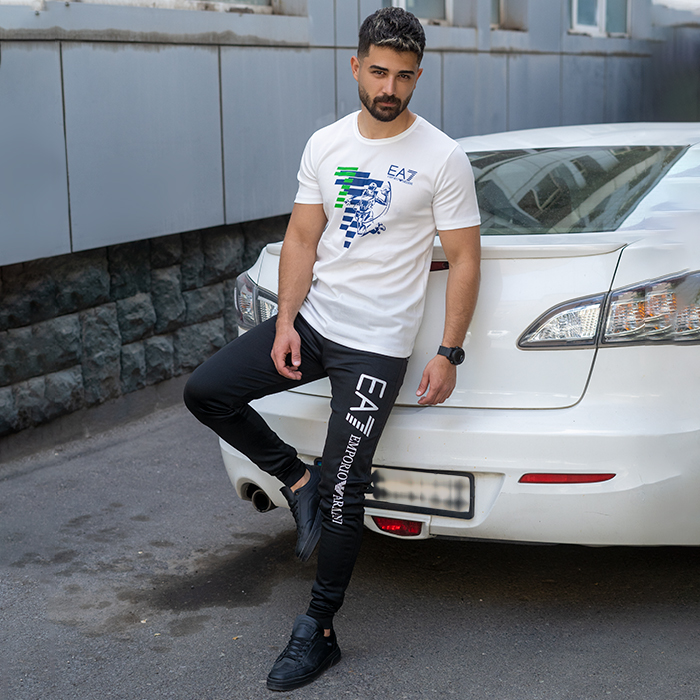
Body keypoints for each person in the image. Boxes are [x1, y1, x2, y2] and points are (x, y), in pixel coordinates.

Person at [184, 6, 481, 692]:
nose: (389, 87)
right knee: (207, 392)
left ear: (418, 77)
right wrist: (286, 320)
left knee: (346, 491)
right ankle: (294, 480)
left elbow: (466, 259)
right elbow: (301, 237)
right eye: (378, 71)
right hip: (315, 324)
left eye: (403, 76)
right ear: (355, 66)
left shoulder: (442, 157)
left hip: (376, 347)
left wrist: (449, 351)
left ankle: (318, 628)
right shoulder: (325, 143)